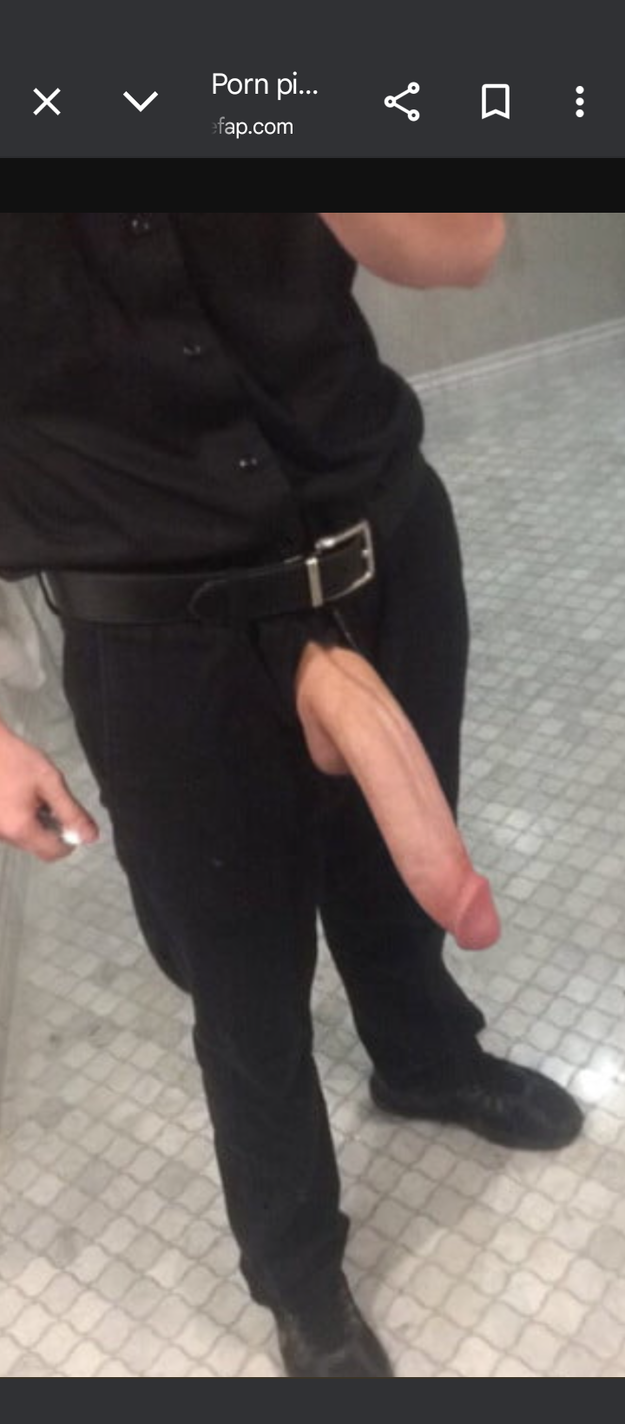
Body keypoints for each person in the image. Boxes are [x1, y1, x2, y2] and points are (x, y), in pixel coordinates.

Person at [0, 213, 582, 1378]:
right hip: (159, 634)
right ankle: (299, 1274)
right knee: (243, 985)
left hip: (383, 550)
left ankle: (424, 1059)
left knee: (395, 883)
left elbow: (460, 248)